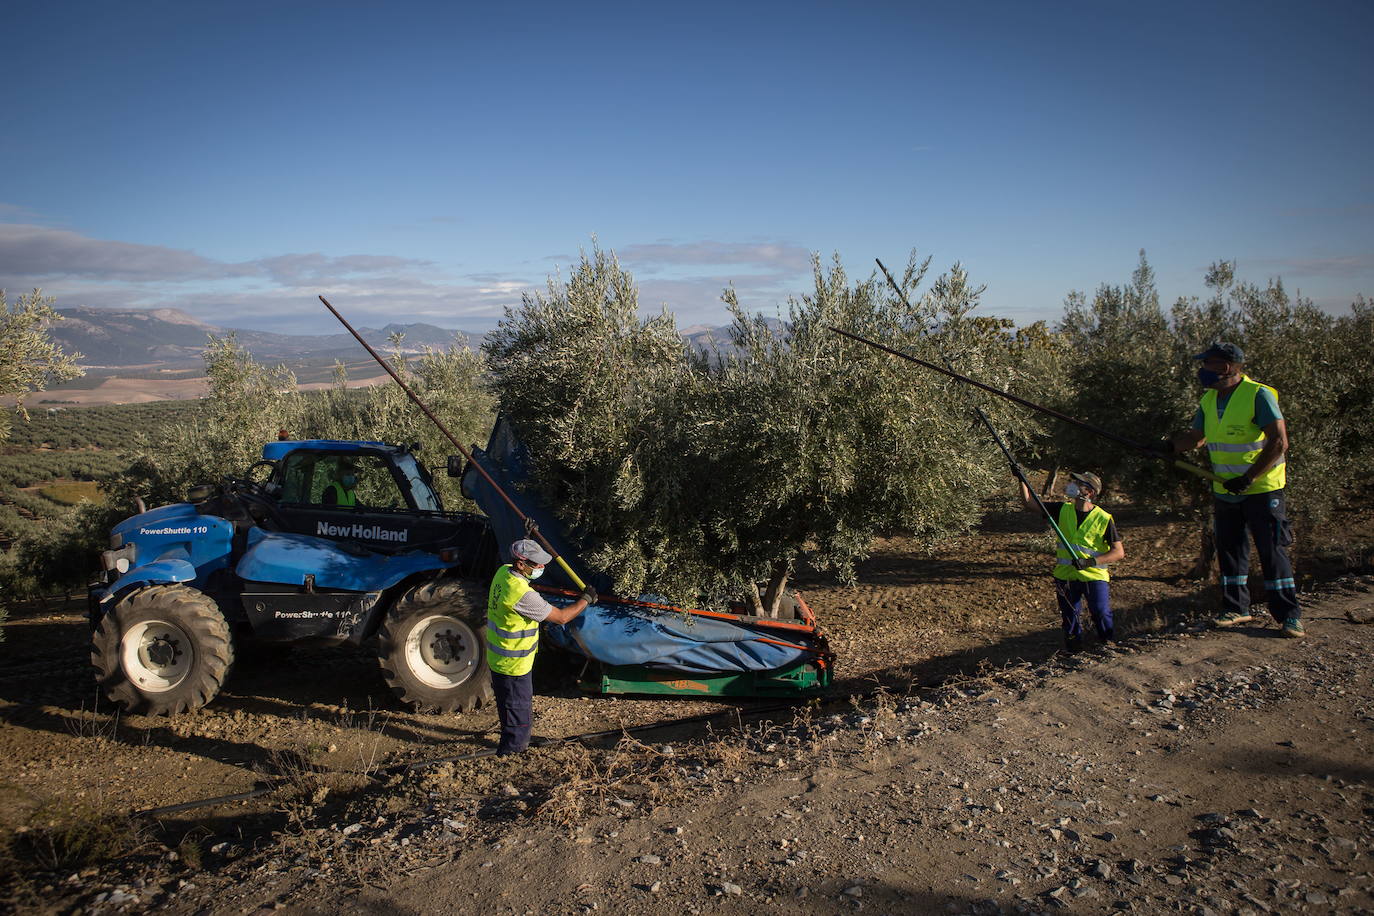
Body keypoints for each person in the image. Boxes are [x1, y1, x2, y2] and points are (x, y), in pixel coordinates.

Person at [1163, 341, 1302, 637]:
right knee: (1230, 551)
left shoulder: (1258, 395)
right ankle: (1236, 608)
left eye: (1206, 364)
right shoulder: (1209, 400)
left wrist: (1249, 477)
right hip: (1225, 489)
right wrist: (1169, 447)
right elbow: (1196, 437)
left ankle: (1289, 615)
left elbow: (1279, 442)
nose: (1201, 370)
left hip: (1262, 489)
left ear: (1224, 367)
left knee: (1272, 551)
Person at [486, 538, 598, 754]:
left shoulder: (503, 572)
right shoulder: (521, 595)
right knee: (518, 713)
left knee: (508, 708)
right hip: (513, 665)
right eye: (536, 564)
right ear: (521, 564)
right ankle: (512, 754)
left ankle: (510, 744)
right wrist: (585, 599)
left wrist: (528, 537)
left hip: (500, 658)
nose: (541, 568)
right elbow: (562, 617)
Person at [1020, 471, 1125, 652]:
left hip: (1094, 575)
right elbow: (1029, 504)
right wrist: (1021, 479)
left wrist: (1090, 562)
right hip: (1065, 576)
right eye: (1074, 482)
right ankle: (1073, 652)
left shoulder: (1103, 518)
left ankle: (1108, 647)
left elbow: (1118, 552)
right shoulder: (1062, 509)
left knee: (1100, 612)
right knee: (1070, 617)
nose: (1072, 485)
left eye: (1079, 483)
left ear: (1089, 492)